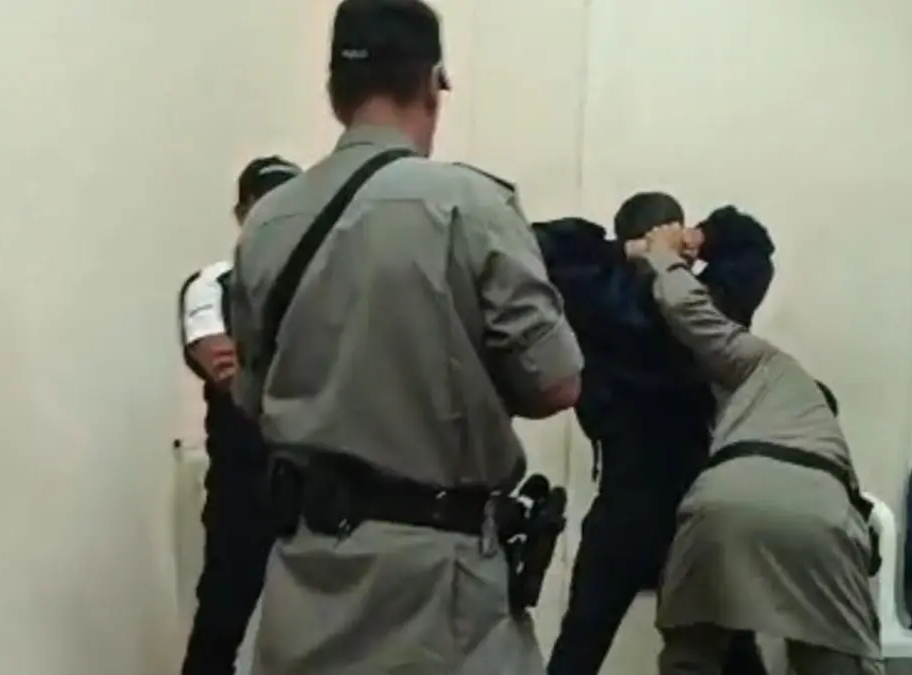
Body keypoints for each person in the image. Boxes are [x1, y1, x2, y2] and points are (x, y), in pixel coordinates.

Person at [227, 1, 584, 674]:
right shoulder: (471, 206)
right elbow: (556, 383)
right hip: (437, 592)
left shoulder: (267, 223)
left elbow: (251, 394)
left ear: (335, 91)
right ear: (431, 83)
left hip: (304, 581)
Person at [538, 195, 774, 675]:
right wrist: (701, 237)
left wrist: (623, 251)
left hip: (623, 506)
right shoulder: (708, 307)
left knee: (579, 647)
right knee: (734, 654)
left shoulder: (594, 299)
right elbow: (753, 244)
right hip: (694, 507)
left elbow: (534, 245)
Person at [633, 222, 881, 675]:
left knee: (692, 657)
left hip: (721, 503)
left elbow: (688, 308)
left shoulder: (765, 364)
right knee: (832, 661)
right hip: (820, 515)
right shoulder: (819, 427)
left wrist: (664, 255)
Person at [178, 155, 302, 675]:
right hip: (244, 484)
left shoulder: (329, 280)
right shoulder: (215, 284)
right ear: (241, 213)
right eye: (263, 205)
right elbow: (224, 368)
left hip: (318, 486)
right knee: (219, 631)